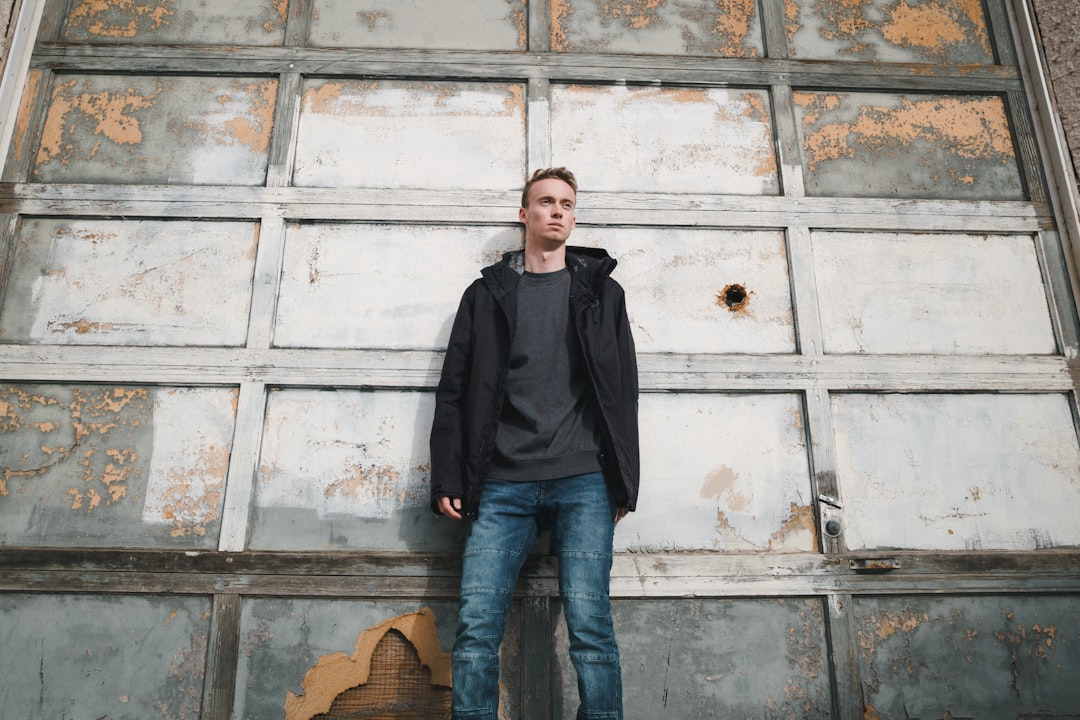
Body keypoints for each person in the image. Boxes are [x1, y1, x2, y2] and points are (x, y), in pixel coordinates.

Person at [429, 167, 640, 719]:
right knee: (476, 626)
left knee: (591, 626)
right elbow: (453, 391)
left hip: (584, 480)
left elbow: (623, 392)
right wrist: (450, 476)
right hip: (500, 482)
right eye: (545, 202)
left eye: (567, 204)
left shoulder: (602, 293)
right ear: (524, 215)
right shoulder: (486, 295)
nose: (557, 211)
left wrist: (623, 480)